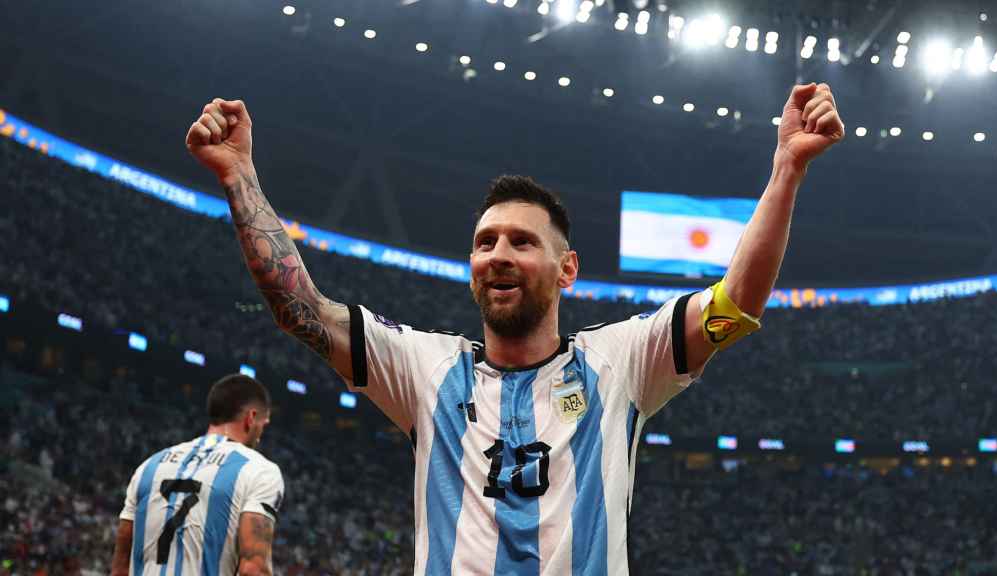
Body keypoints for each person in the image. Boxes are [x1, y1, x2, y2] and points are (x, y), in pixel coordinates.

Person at [186, 82, 844, 575]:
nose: (498, 253)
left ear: (567, 270)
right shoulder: (425, 368)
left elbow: (735, 303)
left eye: (522, 242)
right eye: (484, 242)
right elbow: (300, 308)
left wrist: (787, 170)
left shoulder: (620, 363)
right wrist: (239, 175)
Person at [110, 375, 284, 576]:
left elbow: (120, 568)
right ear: (251, 418)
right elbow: (254, 570)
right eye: (264, 424)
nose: (261, 434)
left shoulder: (149, 466)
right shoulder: (259, 470)